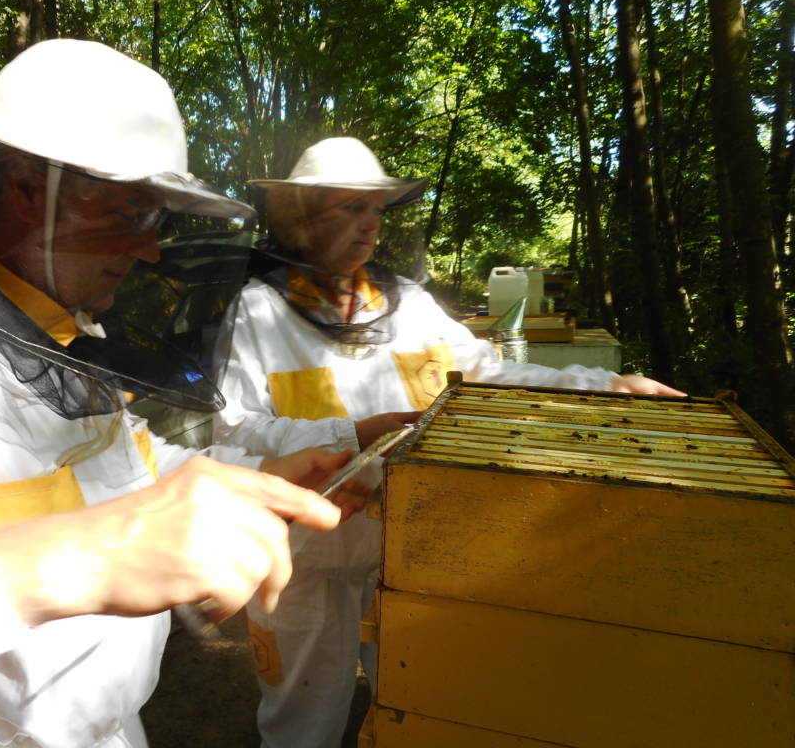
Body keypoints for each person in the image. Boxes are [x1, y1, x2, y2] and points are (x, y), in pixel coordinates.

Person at [0, 41, 370, 748]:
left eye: (161, 221)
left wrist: (254, 484)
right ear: (29, 189)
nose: (151, 251)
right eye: (133, 213)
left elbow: (113, 479)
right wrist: (65, 563)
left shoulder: (54, 335)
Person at [213, 136, 686, 747]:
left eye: (377, 211)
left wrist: (604, 386)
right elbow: (236, 432)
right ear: (301, 217)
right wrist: (352, 433)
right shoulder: (259, 312)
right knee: (303, 723)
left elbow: (488, 374)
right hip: (308, 560)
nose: (369, 227)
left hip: (409, 549)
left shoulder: (408, 306)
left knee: (416, 703)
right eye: (350, 209)